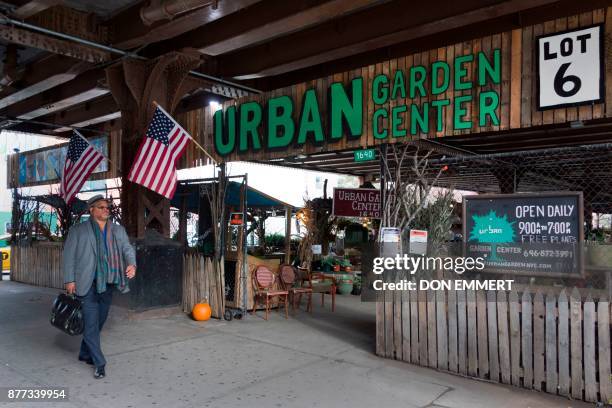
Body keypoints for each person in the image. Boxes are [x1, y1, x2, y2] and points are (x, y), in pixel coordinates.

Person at [63, 195, 136, 379]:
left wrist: (131, 264)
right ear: (91, 210)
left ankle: (84, 353)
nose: (106, 210)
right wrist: (69, 280)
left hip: (108, 282)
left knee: (99, 321)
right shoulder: (78, 230)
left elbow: (127, 248)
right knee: (90, 322)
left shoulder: (118, 231)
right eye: (101, 207)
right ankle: (99, 363)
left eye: (107, 207)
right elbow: (68, 257)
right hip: (86, 283)